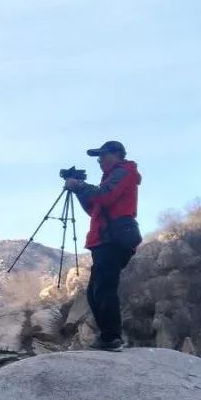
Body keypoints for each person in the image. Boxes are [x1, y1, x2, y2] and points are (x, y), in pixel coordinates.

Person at [63, 140, 142, 352]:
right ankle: (109, 336)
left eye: (103, 156)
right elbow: (95, 209)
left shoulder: (123, 172)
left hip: (113, 239)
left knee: (104, 289)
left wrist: (79, 185)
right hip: (105, 239)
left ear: (116, 155)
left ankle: (111, 338)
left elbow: (105, 196)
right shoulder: (112, 176)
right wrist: (80, 190)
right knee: (94, 292)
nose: (99, 161)